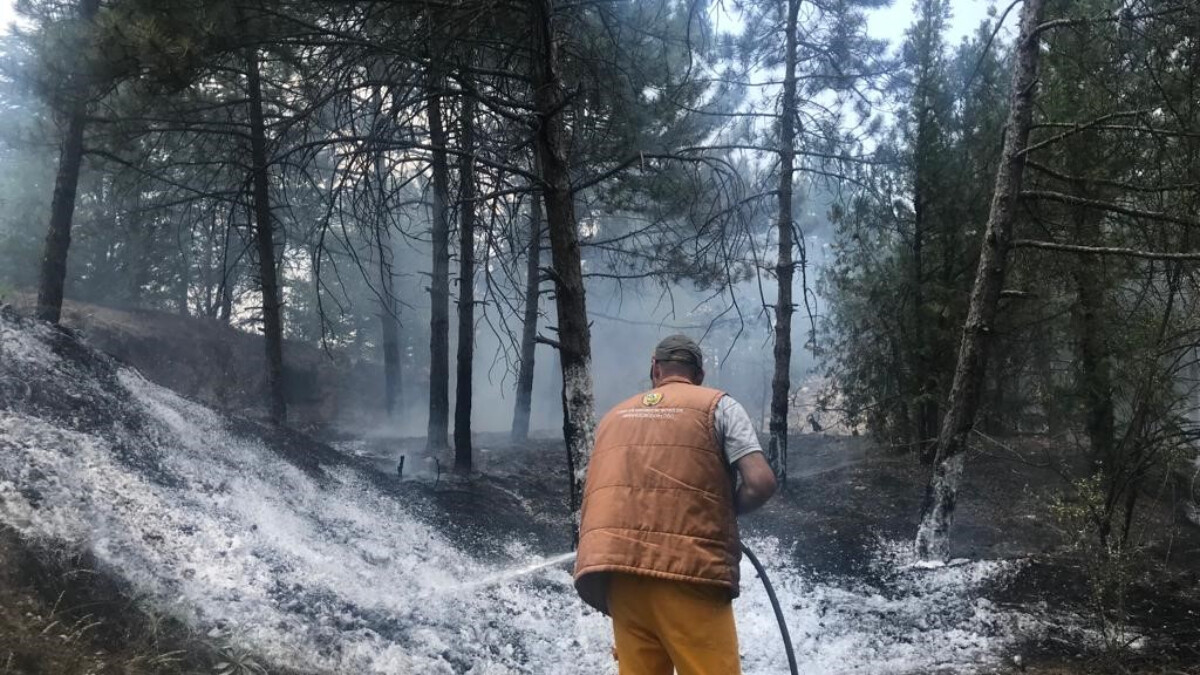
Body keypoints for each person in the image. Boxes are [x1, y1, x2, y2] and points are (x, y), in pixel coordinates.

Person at [574, 334, 778, 675]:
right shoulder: (719, 406)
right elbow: (760, 483)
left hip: (621, 576)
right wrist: (721, 513)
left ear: (655, 368)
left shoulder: (612, 418)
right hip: (688, 574)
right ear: (699, 375)